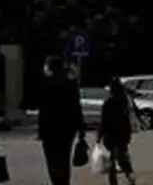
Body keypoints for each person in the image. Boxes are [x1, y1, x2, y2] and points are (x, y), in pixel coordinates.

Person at [33, 54, 88, 185]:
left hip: (50, 129)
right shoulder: (70, 84)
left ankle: (57, 182)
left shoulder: (45, 84)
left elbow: (41, 108)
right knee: (64, 158)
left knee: (52, 160)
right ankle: (64, 182)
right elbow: (77, 108)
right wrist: (81, 131)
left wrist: (41, 130)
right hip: (68, 130)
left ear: (49, 67)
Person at [97, 77, 137, 185]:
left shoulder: (109, 102)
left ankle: (113, 181)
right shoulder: (125, 100)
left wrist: (99, 135)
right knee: (122, 154)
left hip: (110, 133)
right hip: (123, 132)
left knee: (111, 159)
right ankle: (129, 174)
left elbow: (104, 120)